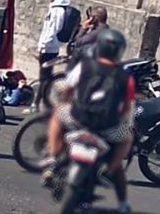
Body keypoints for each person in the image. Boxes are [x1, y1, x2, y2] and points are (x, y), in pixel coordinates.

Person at [44, 29, 135, 214]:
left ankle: (53, 158)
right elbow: (126, 107)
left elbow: (68, 89)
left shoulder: (84, 66)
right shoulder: (126, 78)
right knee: (127, 139)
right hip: (106, 128)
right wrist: (117, 119)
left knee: (56, 115)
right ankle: (109, 171)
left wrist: (68, 103)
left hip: (78, 120)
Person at [26, 0, 71, 113]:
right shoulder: (56, 8)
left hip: (49, 48)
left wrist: (42, 48)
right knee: (45, 77)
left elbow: (51, 30)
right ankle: (41, 103)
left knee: (44, 78)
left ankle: (38, 104)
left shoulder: (57, 10)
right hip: (51, 47)